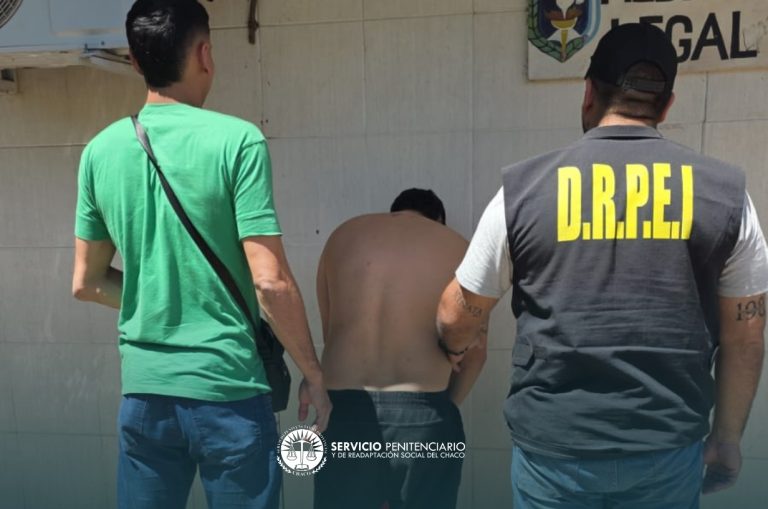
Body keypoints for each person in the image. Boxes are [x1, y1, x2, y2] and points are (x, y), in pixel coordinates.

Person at [436, 23, 768, 508]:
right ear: (667, 106)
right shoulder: (727, 196)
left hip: (554, 455)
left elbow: (456, 315)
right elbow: (746, 337)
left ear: (589, 92)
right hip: (667, 449)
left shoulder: (523, 191)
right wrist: (728, 438)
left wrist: (452, 345)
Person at [71, 1, 331, 508]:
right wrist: (314, 375)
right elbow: (269, 282)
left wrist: (157, 298)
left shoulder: (99, 152)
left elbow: (86, 281)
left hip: (144, 395)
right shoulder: (238, 141)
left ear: (135, 61)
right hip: (229, 390)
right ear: (205, 55)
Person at [313, 189, 484, 509]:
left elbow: (330, 331)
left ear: (394, 212)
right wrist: (442, 410)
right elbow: (475, 353)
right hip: (425, 413)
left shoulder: (340, 237)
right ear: (438, 220)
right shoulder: (457, 246)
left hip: (344, 411)